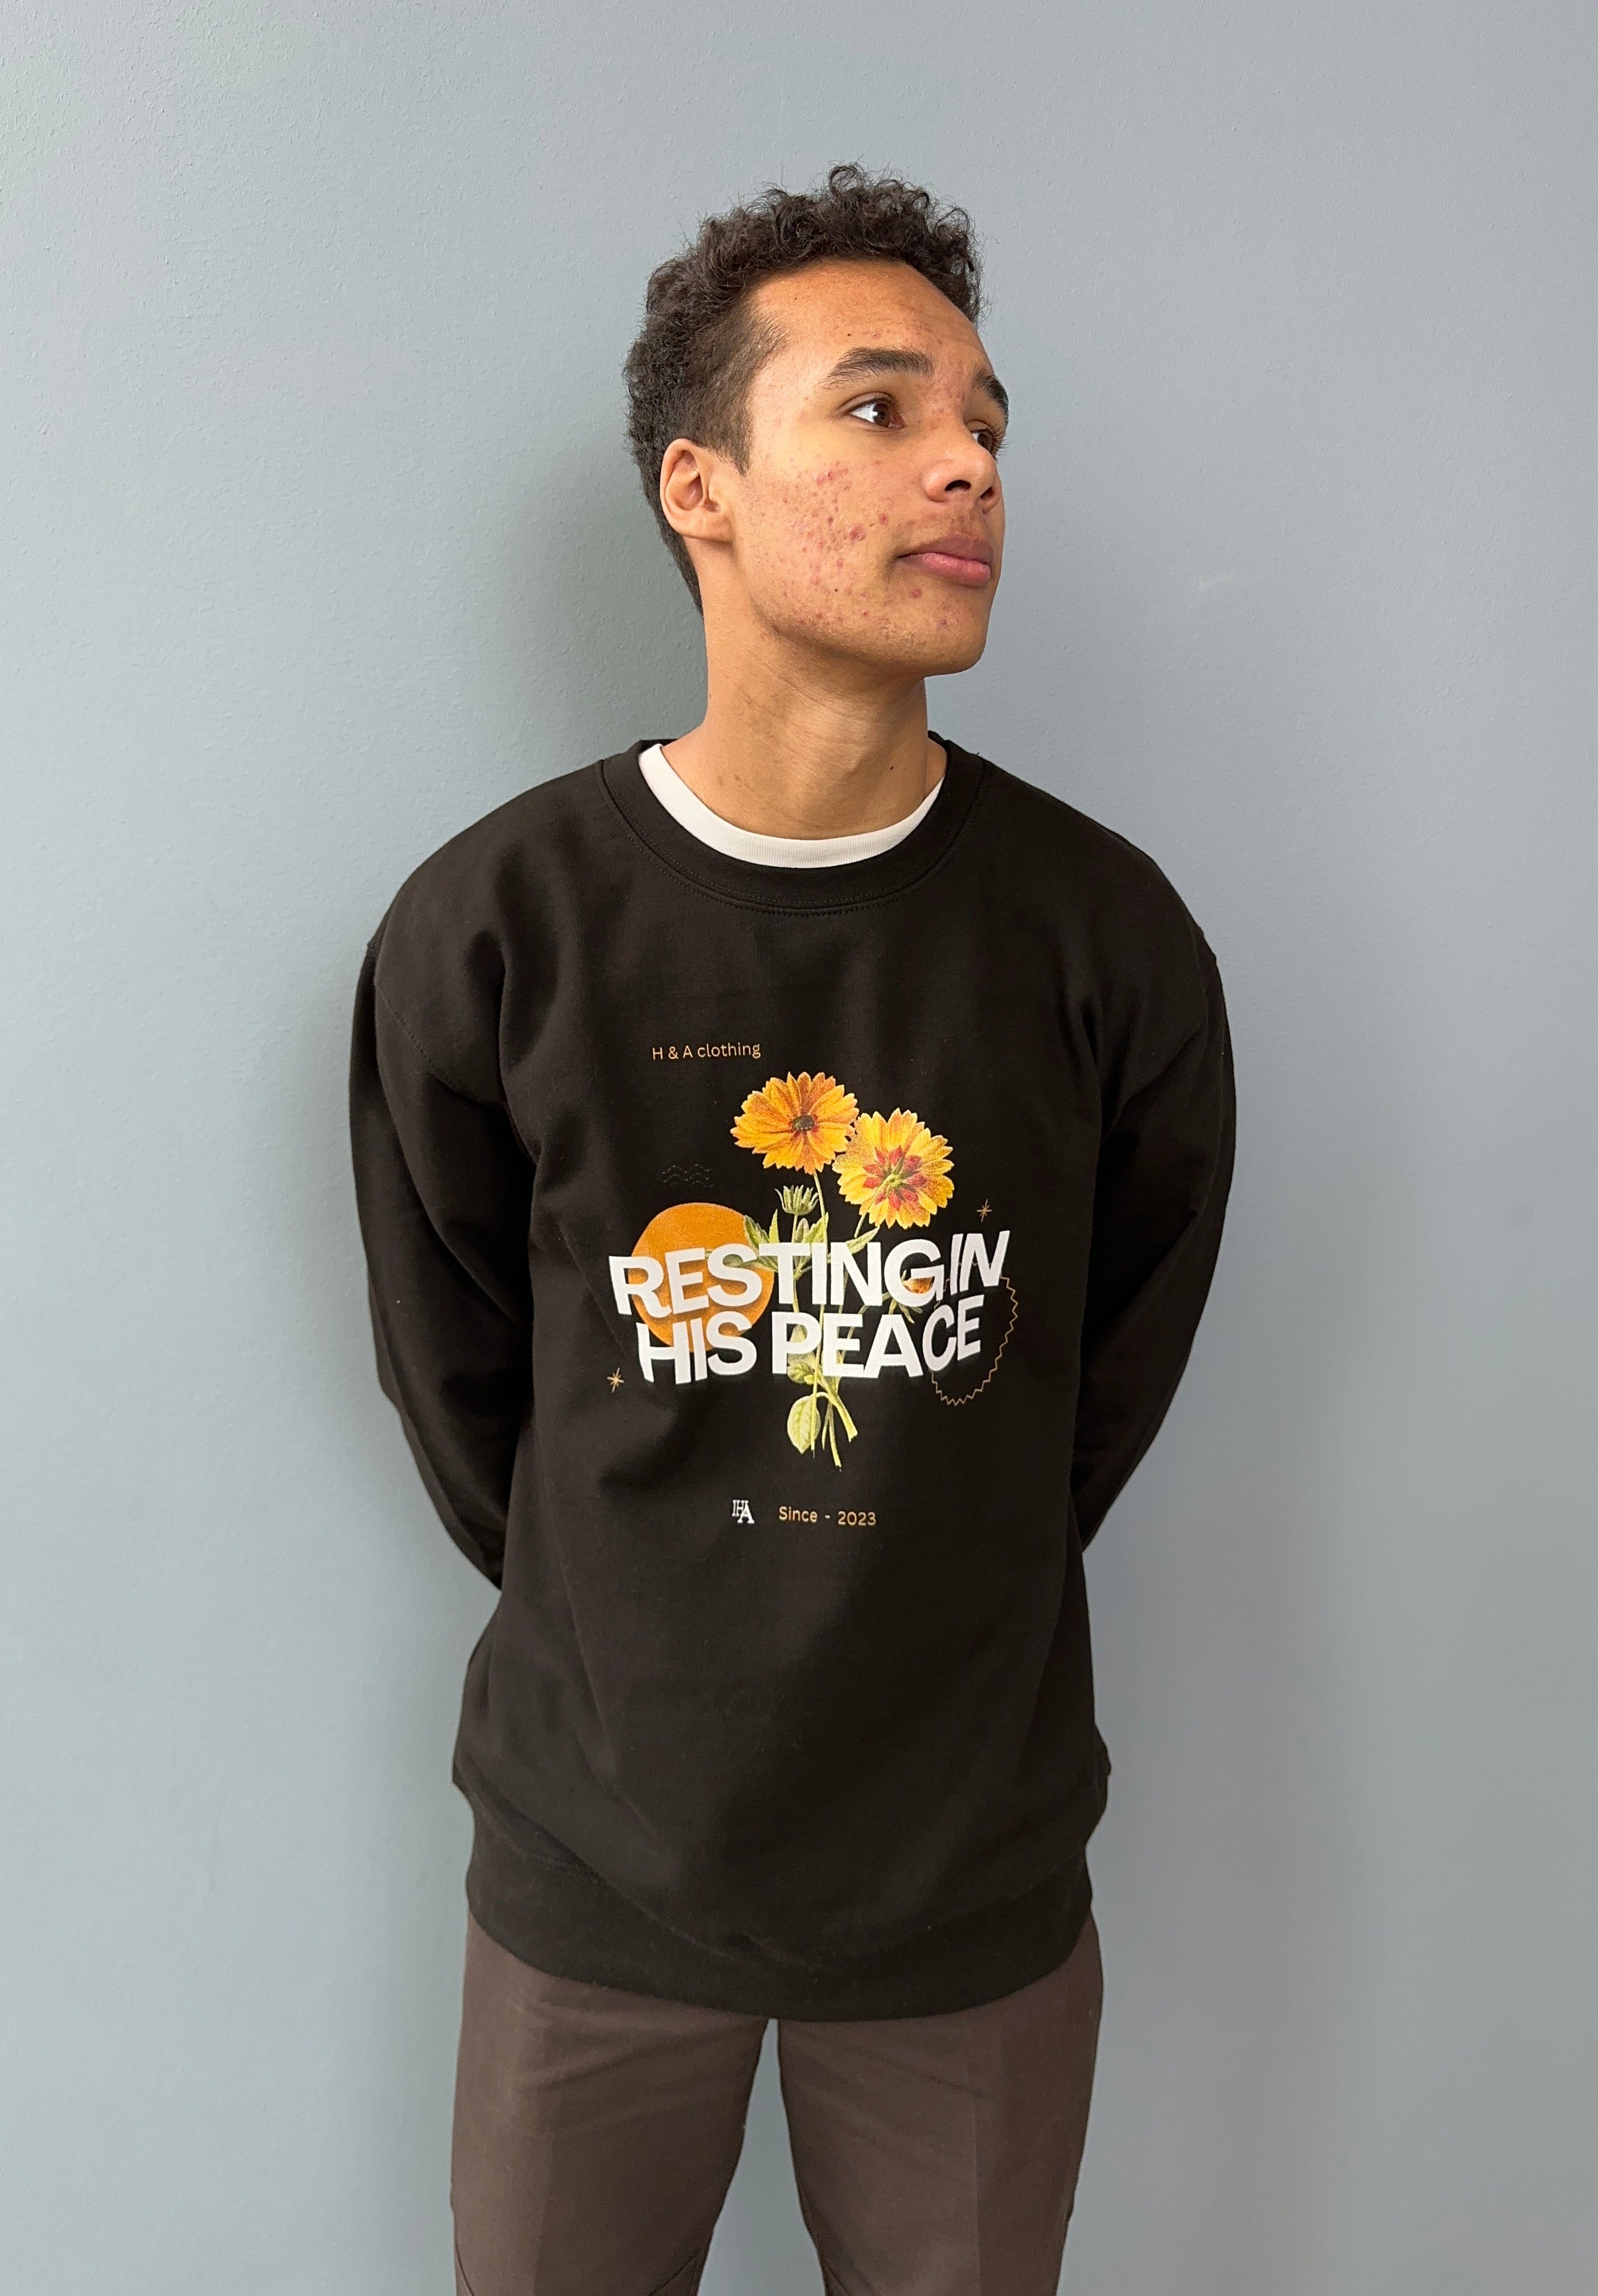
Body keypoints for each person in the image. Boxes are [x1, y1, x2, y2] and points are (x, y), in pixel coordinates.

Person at [348, 162, 1235, 2296]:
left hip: (968, 1891)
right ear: (702, 489)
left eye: (987, 422)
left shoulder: (1104, 937)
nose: (969, 465)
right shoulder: (495, 928)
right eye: (879, 408)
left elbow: (1099, 1367)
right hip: (592, 1874)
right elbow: (466, 1383)